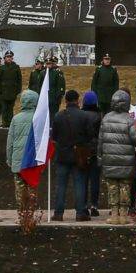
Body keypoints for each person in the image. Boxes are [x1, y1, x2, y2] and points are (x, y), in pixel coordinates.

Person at [48, 90, 95, 221]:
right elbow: (90, 135)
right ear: (77, 100)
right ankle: (80, 213)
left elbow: (54, 136)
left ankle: (58, 213)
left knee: (61, 185)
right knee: (79, 184)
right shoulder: (84, 116)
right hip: (79, 155)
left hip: (62, 155)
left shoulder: (58, 116)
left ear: (66, 101)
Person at [98, 89, 136, 223]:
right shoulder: (129, 120)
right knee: (125, 187)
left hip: (109, 159)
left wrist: (100, 157)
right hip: (126, 160)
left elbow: (101, 140)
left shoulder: (106, 118)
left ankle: (114, 215)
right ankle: (123, 215)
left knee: (112, 188)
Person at [5, 89, 41, 214]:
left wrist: (10, 159)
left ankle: (21, 213)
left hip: (18, 160)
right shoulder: (38, 118)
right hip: (32, 160)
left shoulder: (16, 119)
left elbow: (10, 142)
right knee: (32, 187)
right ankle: (30, 213)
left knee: (20, 189)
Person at [79, 90, 104, 215]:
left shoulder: (80, 115)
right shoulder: (100, 115)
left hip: (83, 151)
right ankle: (94, 205)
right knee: (95, 180)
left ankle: (83, 205)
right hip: (95, 150)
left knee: (83, 179)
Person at [0, 52, 23, 125]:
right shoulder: (2, 68)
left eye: (10, 57)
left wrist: (18, 91)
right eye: (7, 57)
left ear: (12, 58)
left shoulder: (16, 67)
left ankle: (10, 123)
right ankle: (4, 123)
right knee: (4, 108)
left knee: (10, 108)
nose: (9, 58)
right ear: (5, 58)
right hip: (3, 92)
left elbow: (19, 80)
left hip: (12, 92)